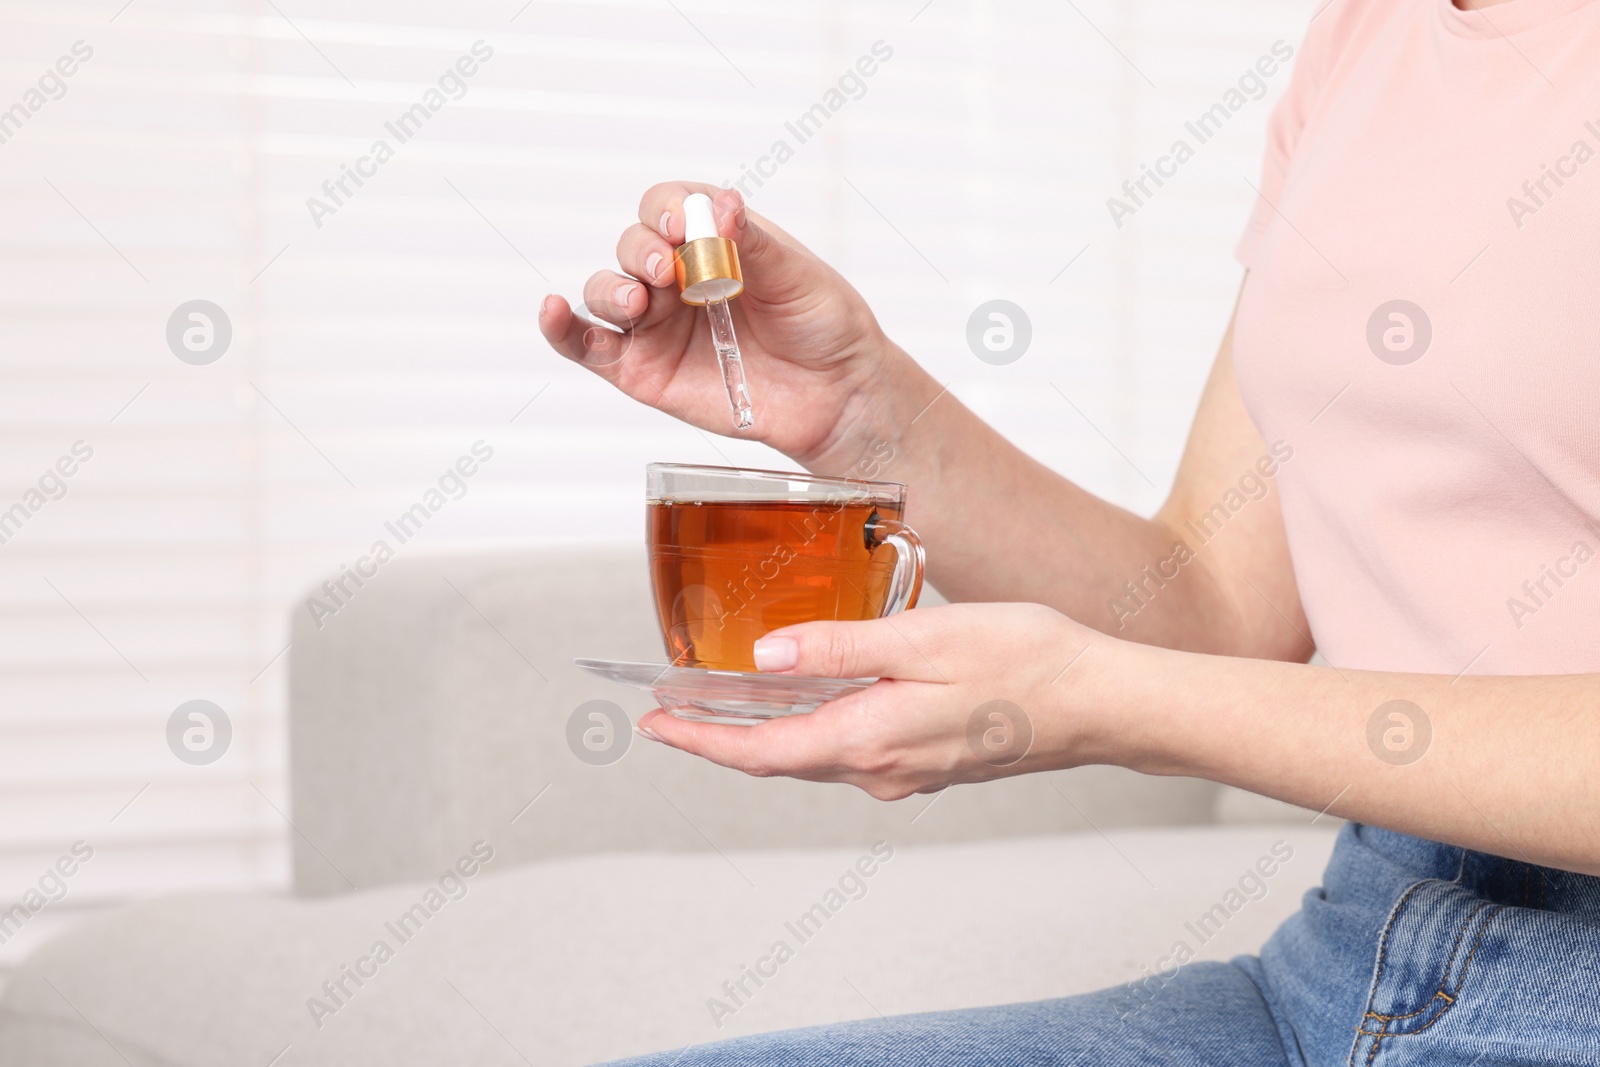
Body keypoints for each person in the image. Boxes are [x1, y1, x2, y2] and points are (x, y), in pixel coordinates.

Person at [538, 0, 1600, 1061]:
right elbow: (1216, 610)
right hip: (1359, 938)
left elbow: (1161, 682)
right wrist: (863, 413)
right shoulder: (1366, 33)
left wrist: (1101, 699)